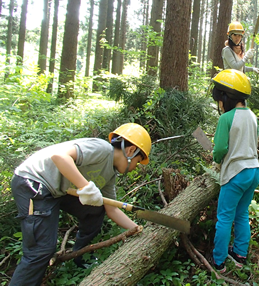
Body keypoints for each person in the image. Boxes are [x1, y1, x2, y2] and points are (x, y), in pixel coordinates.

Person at [9, 123, 152, 286]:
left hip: (58, 191)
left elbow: (112, 209)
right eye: (138, 161)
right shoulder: (102, 149)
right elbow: (59, 156)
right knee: (41, 250)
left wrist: (138, 230)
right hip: (33, 183)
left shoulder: (110, 174)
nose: (135, 168)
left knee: (96, 209)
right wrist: (85, 186)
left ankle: (81, 256)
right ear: (130, 151)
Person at [211, 69, 259, 273]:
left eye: (220, 100)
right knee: (241, 214)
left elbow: (220, 148)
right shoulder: (252, 115)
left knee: (224, 217)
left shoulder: (226, 118)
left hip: (235, 173)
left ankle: (219, 261)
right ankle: (240, 253)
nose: (220, 105)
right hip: (253, 170)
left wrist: (215, 158)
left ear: (226, 97)